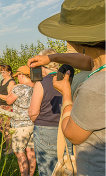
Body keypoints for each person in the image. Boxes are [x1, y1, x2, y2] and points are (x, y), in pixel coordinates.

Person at [27, 0, 105, 175]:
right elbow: (91, 61)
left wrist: (67, 93)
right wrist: (52, 58)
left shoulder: (94, 86)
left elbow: (72, 134)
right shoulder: (101, 66)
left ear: (80, 42)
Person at [28, 48, 63, 176]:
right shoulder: (67, 80)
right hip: (65, 127)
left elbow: (33, 112)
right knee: (65, 167)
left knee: (48, 168)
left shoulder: (42, 83)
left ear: (42, 65)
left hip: (46, 128)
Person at [6, 66, 36, 176]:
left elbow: (9, 101)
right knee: (30, 151)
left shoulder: (20, 88)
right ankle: (31, 174)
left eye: (18, 76)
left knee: (19, 152)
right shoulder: (36, 86)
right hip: (32, 122)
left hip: (20, 124)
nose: (17, 78)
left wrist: (12, 89)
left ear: (22, 75)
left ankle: (24, 174)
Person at [0, 65, 16, 154]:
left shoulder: (11, 82)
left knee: (7, 128)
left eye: (4, 72)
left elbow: (9, 97)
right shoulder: (2, 81)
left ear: (9, 72)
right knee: (2, 127)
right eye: (1, 72)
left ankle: (11, 149)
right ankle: (7, 146)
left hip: (7, 107)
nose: (2, 74)